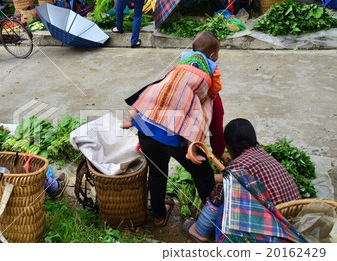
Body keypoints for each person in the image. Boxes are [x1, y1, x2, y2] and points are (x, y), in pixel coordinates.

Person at [123, 31, 224, 227]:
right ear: (212, 57)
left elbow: (147, 93)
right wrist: (218, 152)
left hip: (146, 127)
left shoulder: (173, 74)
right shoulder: (209, 89)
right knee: (203, 175)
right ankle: (214, 222)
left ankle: (159, 216)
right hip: (176, 136)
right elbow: (214, 123)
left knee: (157, 170)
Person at [183, 118, 302, 242]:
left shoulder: (237, 168)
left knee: (221, 193)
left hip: (275, 230)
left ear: (228, 146)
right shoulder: (263, 155)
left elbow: (219, 193)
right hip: (298, 219)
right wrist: (211, 176)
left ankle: (200, 232)